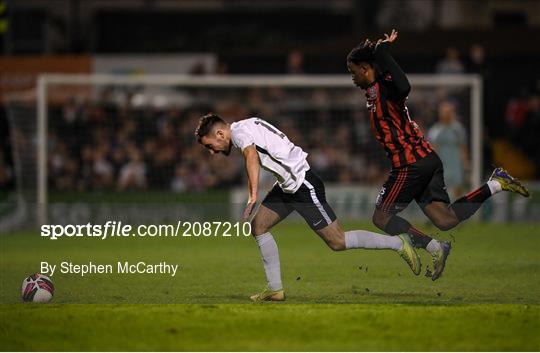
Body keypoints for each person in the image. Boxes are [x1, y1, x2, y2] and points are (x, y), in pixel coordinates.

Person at [346, 29, 530, 280]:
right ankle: (496, 184)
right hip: (425, 159)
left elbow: (404, 86)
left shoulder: (385, 86)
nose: (352, 77)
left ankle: (434, 247)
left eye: (353, 71)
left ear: (366, 68)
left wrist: (384, 55)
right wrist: (377, 51)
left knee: (381, 217)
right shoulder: (374, 90)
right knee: (445, 220)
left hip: (410, 163)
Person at [195, 113, 421, 302]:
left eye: (209, 145)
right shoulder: (246, 123)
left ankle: (399, 243)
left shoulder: (240, 134)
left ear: (220, 134)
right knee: (259, 227)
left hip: (303, 185)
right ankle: (275, 289)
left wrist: (253, 194)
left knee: (338, 241)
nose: (212, 151)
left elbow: (251, 156)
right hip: (286, 186)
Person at [427, 101, 469, 199]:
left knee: (458, 193)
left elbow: (463, 148)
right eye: (444, 112)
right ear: (440, 114)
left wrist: (466, 166)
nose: (446, 114)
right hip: (442, 167)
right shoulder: (435, 131)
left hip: (456, 166)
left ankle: (456, 212)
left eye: (448, 112)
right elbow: (433, 151)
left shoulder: (458, 129)